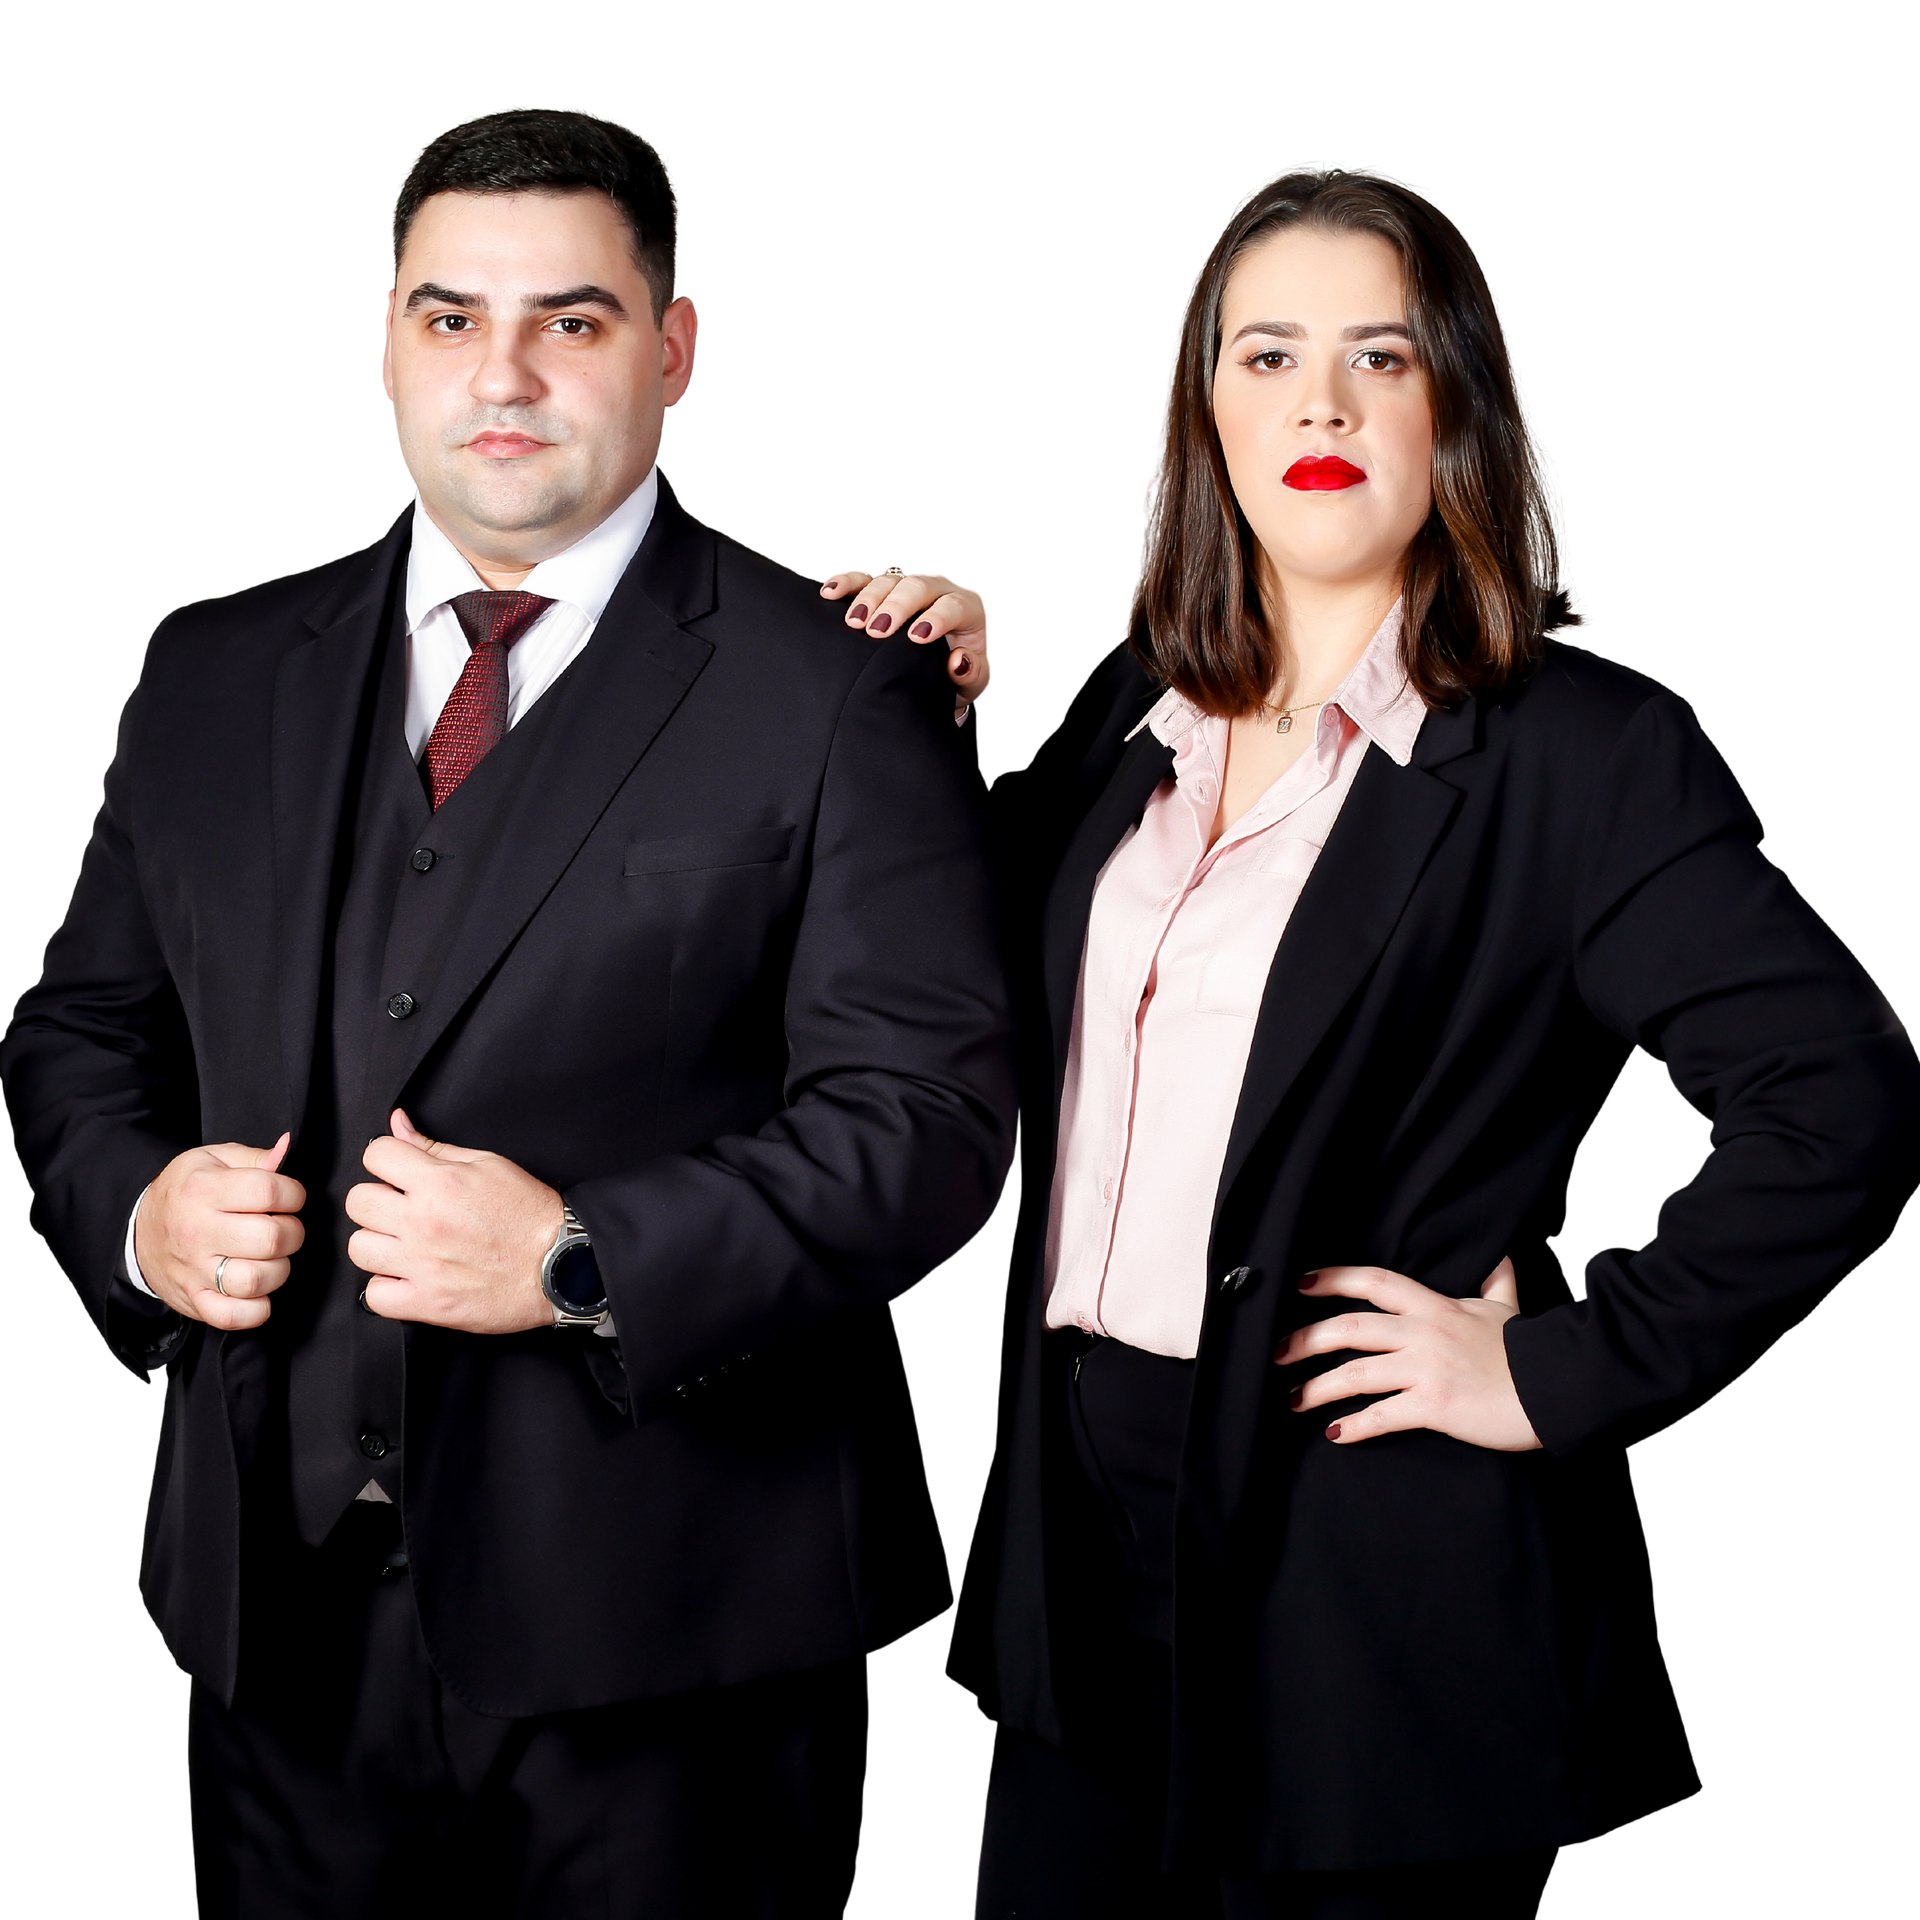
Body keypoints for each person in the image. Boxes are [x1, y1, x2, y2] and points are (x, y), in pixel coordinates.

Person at [823, 158, 1920, 1918]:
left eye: (1379, 358)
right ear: (1206, 414)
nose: (1318, 405)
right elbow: (963, 997)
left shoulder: (1587, 752)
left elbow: (1840, 1093)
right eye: (1266, 356)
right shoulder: (1134, 707)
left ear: (1456, 408)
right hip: (1079, 1554)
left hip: (1375, 1577)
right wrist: (918, 726)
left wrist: (1556, 1366)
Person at [0, 103, 1016, 1917]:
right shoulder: (208, 668)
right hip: (277, 1626)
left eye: (574, 319)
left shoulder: (841, 686)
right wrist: (142, 1216)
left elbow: (932, 1128)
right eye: (453, 317)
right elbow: (78, 1035)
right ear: (386, 344)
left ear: (675, 348)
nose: (507, 375)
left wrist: (578, 1259)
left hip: (684, 1639)